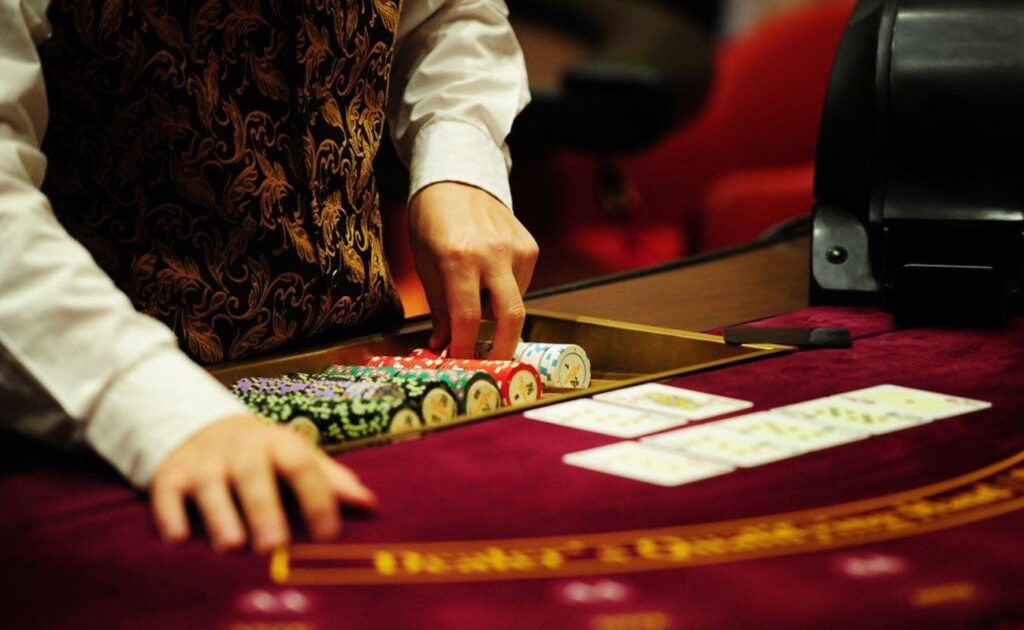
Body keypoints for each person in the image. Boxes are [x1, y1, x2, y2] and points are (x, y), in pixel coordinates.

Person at [0, 0, 537, 553]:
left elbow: (449, 14)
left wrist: (458, 162)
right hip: (100, 433)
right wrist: (155, 407)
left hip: (368, 376)